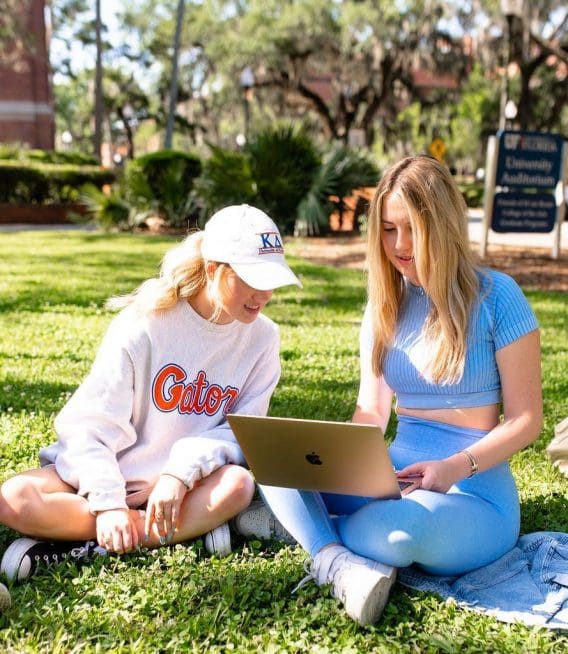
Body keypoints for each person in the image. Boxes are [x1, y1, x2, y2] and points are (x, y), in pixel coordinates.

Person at [256, 156, 543, 625]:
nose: (400, 245)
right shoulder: (385, 305)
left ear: (443, 224)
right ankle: (332, 555)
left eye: (412, 228)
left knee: (395, 533)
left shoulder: (498, 296)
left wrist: (454, 467)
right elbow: (372, 411)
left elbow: (527, 420)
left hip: (472, 491)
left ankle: (300, 529)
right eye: (388, 230)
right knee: (275, 465)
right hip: (392, 477)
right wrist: (335, 461)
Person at [0, 204, 301, 582]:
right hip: (98, 476)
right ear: (214, 270)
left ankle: (84, 543)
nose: (265, 294)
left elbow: (242, 431)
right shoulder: (145, 324)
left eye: (272, 281)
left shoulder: (263, 338)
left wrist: (178, 474)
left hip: (181, 486)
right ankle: (165, 533)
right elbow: (91, 425)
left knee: (237, 486)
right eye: (253, 280)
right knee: (12, 499)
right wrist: (108, 503)